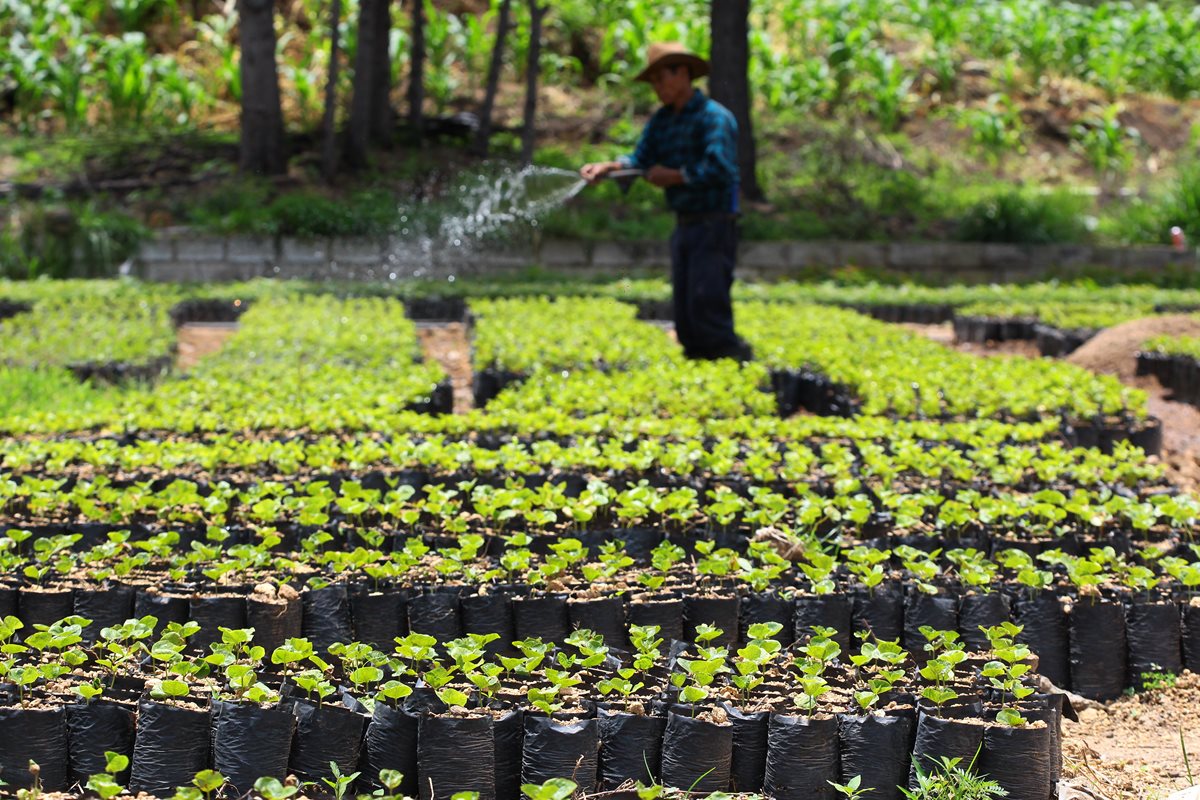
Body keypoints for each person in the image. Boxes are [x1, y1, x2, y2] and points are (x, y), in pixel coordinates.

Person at [581, 42, 753, 362]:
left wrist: (674, 176)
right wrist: (612, 167)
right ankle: (700, 370)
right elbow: (641, 158)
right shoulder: (663, 121)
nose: (658, 89)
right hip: (685, 223)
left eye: (662, 79)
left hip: (714, 223)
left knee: (708, 306)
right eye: (654, 83)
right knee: (687, 315)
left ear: (683, 73)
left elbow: (719, 168)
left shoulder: (715, 119)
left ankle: (737, 369)